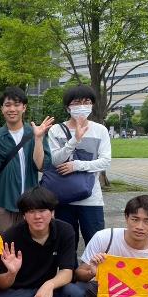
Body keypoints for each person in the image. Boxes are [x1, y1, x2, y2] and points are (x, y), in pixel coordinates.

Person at [0, 86, 53, 235]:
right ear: (2, 109)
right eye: (7, 105)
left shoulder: (34, 133)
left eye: (17, 104)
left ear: (24, 107)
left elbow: (40, 165)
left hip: (31, 202)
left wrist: (38, 139)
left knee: (30, 243)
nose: (12, 109)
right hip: (3, 200)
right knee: (2, 243)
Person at [47, 85, 111, 249]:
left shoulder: (100, 130)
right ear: (68, 107)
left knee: (97, 245)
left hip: (91, 198)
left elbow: (105, 161)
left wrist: (77, 165)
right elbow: (55, 160)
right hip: (63, 197)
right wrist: (74, 140)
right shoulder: (56, 130)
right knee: (66, 246)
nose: (82, 106)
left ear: (92, 104)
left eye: (86, 102)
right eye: (76, 102)